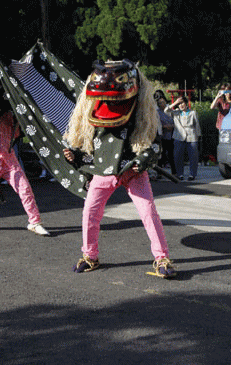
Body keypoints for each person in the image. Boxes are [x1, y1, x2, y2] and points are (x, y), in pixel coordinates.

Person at [62, 59, 176, 278]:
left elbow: (153, 144)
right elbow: (91, 148)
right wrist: (75, 155)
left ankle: (162, 258)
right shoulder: (94, 110)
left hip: (133, 172)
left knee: (148, 213)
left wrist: (137, 164)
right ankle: (90, 256)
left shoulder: (141, 111)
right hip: (104, 172)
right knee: (90, 213)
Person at [164, 96, 201, 181]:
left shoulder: (193, 112)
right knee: (178, 156)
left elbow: (197, 125)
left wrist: (198, 136)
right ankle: (180, 174)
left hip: (191, 136)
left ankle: (192, 174)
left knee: (193, 156)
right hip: (179, 136)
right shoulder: (176, 112)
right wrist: (175, 103)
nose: (181, 105)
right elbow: (166, 111)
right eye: (179, 104)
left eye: (182, 103)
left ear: (186, 103)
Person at [154, 90, 176, 176]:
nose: (161, 104)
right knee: (161, 155)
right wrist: (164, 127)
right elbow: (157, 124)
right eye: (159, 103)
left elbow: (176, 121)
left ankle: (174, 172)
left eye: (163, 102)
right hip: (162, 135)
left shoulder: (170, 109)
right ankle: (159, 173)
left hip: (172, 135)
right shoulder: (157, 112)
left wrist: (172, 126)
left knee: (171, 155)